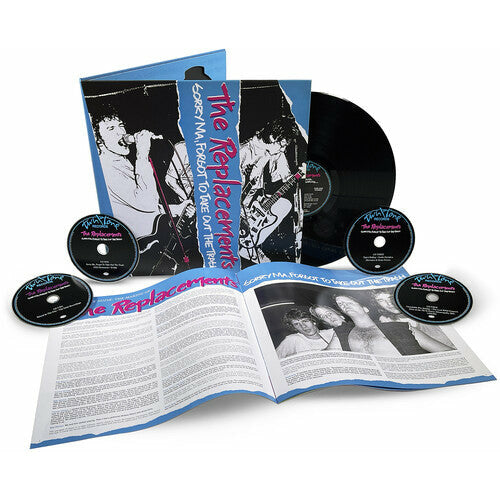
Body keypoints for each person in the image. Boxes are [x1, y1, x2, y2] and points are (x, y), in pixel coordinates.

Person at [92, 110, 194, 239]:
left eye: (121, 125)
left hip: (153, 238)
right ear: (98, 140)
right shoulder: (105, 168)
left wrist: (178, 210)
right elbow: (147, 203)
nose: (121, 132)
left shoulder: (120, 161)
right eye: (111, 128)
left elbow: (141, 207)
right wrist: (142, 154)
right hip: (143, 243)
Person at [239, 116, 301, 264]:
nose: (283, 149)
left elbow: (286, 177)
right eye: (282, 145)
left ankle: (253, 243)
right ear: (273, 137)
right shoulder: (243, 152)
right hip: (234, 206)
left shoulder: (275, 151)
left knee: (284, 205)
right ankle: (245, 245)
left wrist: (301, 174)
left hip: (255, 202)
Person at [334, 295, 429, 356]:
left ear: (365, 308)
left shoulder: (401, 327)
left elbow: (438, 351)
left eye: (349, 302)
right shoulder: (342, 334)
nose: (345, 305)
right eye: (341, 304)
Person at [370, 290, 454, 350]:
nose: (389, 304)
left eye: (390, 297)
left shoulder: (428, 310)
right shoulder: (386, 321)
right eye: (381, 300)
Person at [276, 309, 342, 359]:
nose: (303, 326)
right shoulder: (293, 340)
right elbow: (275, 361)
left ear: (313, 321)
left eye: (305, 321)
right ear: (294, 328)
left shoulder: (332, 333)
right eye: (297, 324)